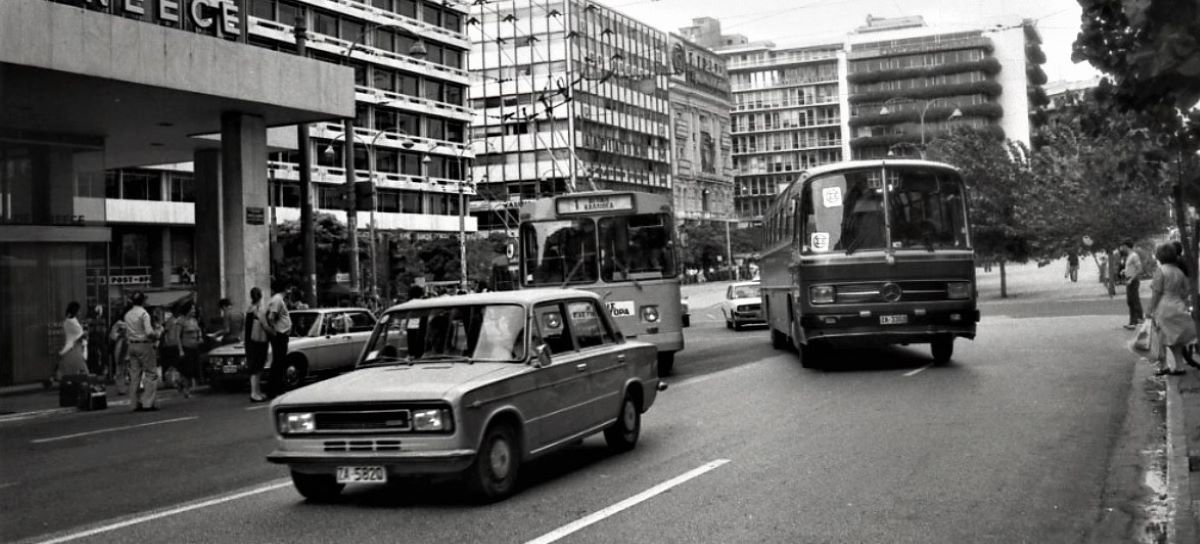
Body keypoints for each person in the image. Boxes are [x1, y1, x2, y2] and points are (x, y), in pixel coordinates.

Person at [1146, 243, 1197, 375]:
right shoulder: (1179, 271)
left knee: (1160, 339)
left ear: (1159, 256)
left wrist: (1149, 309)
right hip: (1177, 306)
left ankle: (1164, 366)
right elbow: (1186, 290)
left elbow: (1156, 292)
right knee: (1176, 339)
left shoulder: (1160, 271)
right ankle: (1180, 366)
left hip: (1163, 307)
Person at [124, 292, 162, 411]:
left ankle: (134, 403)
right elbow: (149, 332)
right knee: (151, 373)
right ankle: (147, 403)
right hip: (144, 345)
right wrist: (158, 334)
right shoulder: (144, 314)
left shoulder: (128, 314)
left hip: (131, 345)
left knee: (134, 375)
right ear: (143, 301)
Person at [265, 281, 292, 396]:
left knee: (279, 361)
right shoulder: (277, 299)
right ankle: (275, 388)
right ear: (286, 288)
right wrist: (274, 330)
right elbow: (271, 316)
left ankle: (277, 387)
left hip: (281, 334)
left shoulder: (278, 299)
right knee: (278, 362)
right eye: (289, 288)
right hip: (279, 335)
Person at [245, 287, 270, 402]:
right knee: (256, 367)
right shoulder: (258, 310)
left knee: (255, 367)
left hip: (250, 341)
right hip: (258, 342)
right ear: (260, 296)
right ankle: (254, 393)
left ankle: (257, 392)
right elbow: (264, 325)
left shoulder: (249, 309)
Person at [173, 302, 203, 398]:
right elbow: (177, 336)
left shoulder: (194, 320)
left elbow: (199, 330)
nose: (194, 311)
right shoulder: (181, 321)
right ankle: (186, 390)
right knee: (187, 371)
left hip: (195, 347)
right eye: (192, 309)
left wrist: (200, 337)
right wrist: (180, 349)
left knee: (193, 370)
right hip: (186, 347)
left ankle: (180, 383)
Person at [54, 302, 89, 383]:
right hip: (74, 350)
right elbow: (80, 336)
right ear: (75, 311)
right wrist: (84, 334)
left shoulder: (69, 321)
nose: (80, 313)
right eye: (78, 311)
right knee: (81, 373)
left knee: (72, 373)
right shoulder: (71, 322)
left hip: (73, 350)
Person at [1122, 241, 1144, 330]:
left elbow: (1139, 269)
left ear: (1126, 246)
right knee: (1130, 301)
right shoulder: (1129, 256)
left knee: (1134, 300)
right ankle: (1133, 321)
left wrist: (1131, 279)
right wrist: (1125, 271)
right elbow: (1131, 268)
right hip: (1129, 279)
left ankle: (1139, 319)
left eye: (1123, 246)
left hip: (1133, 281)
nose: (1122, 248)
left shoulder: (1134, 256)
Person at [109, 317, 129, 394]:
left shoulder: (122, 338)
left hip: (123, 352)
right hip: (122, 352)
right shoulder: (120, 338)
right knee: (120, 371)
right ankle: (121, 388)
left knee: (122, 371)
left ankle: (122, 388)